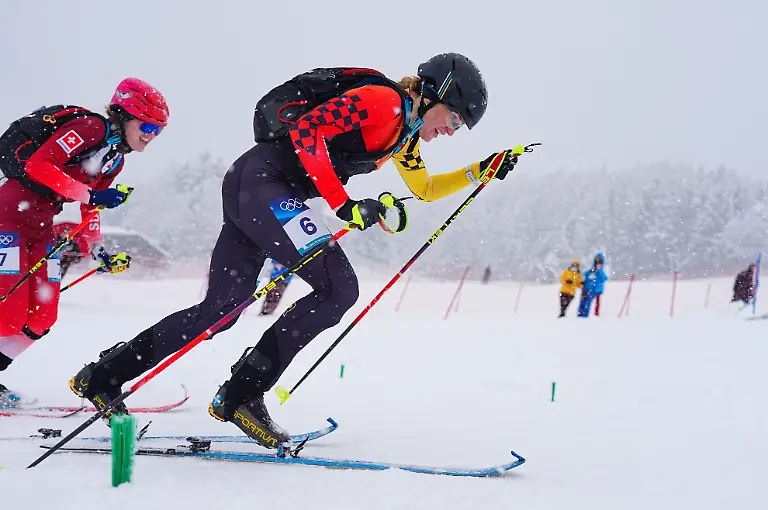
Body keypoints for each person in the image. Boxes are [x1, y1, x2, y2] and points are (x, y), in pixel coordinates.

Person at [71, 53, 521, 449]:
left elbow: (424, 189)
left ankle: (104, 376)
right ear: (438, 93)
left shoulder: (405, 136)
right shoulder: (383, 101)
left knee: (222, 310)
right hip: (265, 184)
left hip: (257, 187)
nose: (452, 131)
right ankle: (242, 395)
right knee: (338, 288)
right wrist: (344, 204)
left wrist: (481, 171)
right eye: (456, 119)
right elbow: (309, 130)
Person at [0, 78, 168, 404]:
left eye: (158, 130)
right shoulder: (90, 128)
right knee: (9, 314)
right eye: (146, 125)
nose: (150, 135)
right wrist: (91, 192)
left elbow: (91, 207)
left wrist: (96, 247)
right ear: (124, 115)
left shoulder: (115, 159)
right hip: (8, 219)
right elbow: (38, 165)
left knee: (41, 317)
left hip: (41, 228)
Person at [578, 253, 608, 317]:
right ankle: (580, 315)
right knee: (582, 302)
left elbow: (604, 279)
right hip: (586, 288)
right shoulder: (591, 269)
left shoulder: (601, 270)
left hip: (594, 289)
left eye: (599, 260)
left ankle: (584, 315)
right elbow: (585, 275)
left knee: (588, 303)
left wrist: (599, 270)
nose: (598, 261)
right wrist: (583, 281)